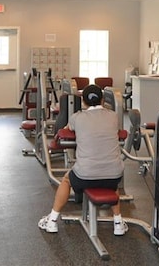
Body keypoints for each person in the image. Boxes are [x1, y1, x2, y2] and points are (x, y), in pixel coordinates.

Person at [38, 84, 128, 236]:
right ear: (102, 100)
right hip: (114, 177)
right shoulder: (113, 116)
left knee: (66, 180)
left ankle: (52, 221)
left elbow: (66, 130)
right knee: (111, 176)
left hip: (85, 176)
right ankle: (118, 223)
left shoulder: (77, 117)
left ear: (84, 102)